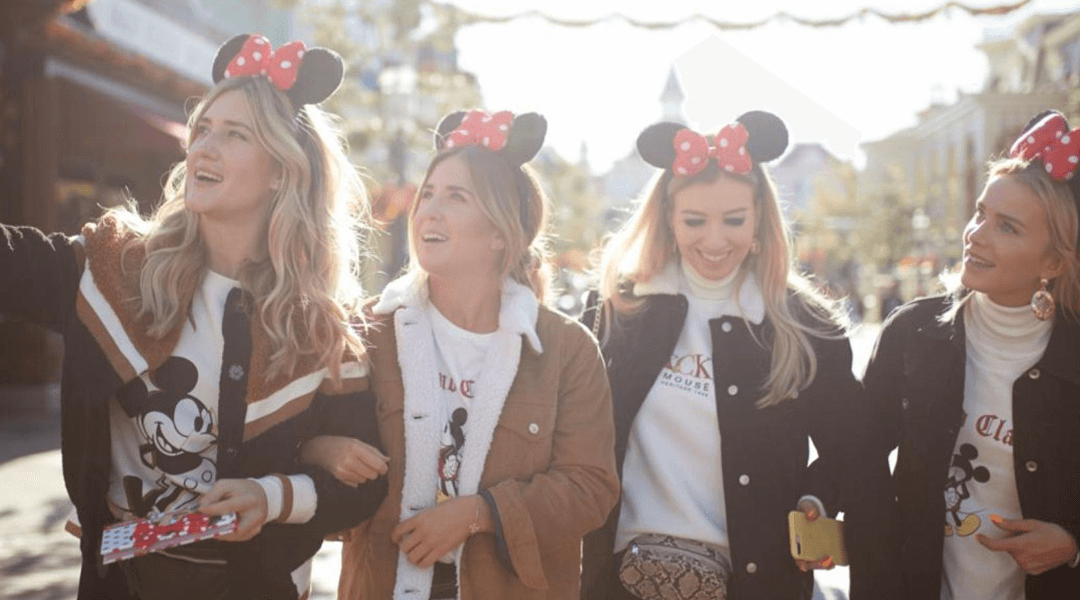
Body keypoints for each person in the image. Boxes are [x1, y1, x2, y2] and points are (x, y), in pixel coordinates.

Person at [0, 33, 386, 599]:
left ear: (281, 170)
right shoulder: (117, 268)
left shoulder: (325, 325)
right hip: (120, 583)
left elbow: (360, 488)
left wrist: (273, 495)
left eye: (234, 135)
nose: (204, 147)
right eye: (203, 128)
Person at [299, 109, 620, 600]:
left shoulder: (567, 350)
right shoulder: (367, 331)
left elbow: (590, 488)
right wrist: (323, 450)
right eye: (428, 194)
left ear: (500, 234)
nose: (429, 210)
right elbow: (297, 438)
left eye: (456, 197)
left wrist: (481, 513)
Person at [578, 112, 891, 599]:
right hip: (622, 580)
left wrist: (815, 499)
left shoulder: (802, 325)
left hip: (755, 580)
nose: (715, 240)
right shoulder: (620, 308)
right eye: (695, 220)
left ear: (761, 217)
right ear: (667, 218)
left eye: (734, 219)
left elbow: (855, 451)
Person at [862, 110, 1080, 600]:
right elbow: (858, 453)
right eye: (981, 212)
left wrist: (1072, 546)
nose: (976, 234)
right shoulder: (913, 332)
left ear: (1053, 261)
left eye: (1007, 227)